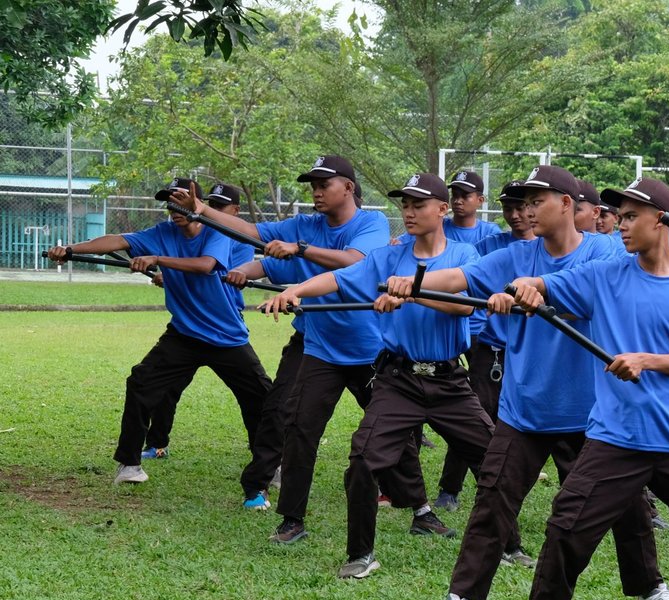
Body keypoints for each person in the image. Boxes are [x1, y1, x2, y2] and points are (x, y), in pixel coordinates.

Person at [382, 165, 669, 600]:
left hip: (593, 415)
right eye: (523, 202)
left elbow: (596, 293)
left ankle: (650, 587)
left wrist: (533, 296)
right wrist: (414, 285)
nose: (526, 210)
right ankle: (461, 599)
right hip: (525, 409)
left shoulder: (606, 252)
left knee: (627, 506)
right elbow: (462, 279)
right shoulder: (515, 256)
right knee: (493, 501)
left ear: (566, 204)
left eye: (537, 200)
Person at [489, 177, 669, 600]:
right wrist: (526, 287)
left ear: (660, 221)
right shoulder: (604, 274)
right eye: (617, 217)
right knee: (565, 535)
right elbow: (545, 284)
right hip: (613, 440)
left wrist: (648, 360)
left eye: (630, 217)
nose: (620, 225)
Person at [177, 156, 426, 544]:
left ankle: (420, 509)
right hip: (318, 347)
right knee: (297, 427)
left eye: (324, 184)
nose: (316, 190)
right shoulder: (304, 224)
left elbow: (354, 263)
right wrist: (203, 209)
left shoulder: (370, 223)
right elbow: (251, 231)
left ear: (348, 187)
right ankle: (292, 518)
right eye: (313, 184)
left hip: (369, 350)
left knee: (391, 429)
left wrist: (299, 249)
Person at [261, 173, 490, 578]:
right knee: (364, 461)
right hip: (398, 378)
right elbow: (338, 278)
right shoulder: (388, 257)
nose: (409, 212)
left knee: (494, 460)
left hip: (449, 380)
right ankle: (360, 555)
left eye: (419, 205)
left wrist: (410, 292)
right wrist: (296, 290)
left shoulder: (464, 256)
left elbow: (466, 307)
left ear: (441, 209)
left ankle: (506, 544)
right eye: (406, 205)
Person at [48, 177, 280, 502]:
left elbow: (205, 265)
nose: (174, 209)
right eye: (170, 203)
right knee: (141, 382)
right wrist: (71, 249)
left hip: (226, 336)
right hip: (184, 334)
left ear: (198, 204)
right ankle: (129, 464)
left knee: (261, 398)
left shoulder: (217, 232)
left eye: (182, 202)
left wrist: (158, 261)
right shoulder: (161, 233)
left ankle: (272, 465)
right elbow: (117, 239)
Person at [432, 180, 535, 515]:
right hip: (492, 349)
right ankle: (450, 488)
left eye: (523, 207)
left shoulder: (553, 251)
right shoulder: (492, 246)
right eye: (510, 209)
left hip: (537, 352)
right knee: (475, 417)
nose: (517, 215)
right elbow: (458, 276)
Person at [140, 182, 256, 461]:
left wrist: (172, 272)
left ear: (235, 211)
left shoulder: (237, 240)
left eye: (218, 207)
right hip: (190, 325)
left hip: (223, 325)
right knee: (167, 386)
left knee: (253, 393)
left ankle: (264, 452)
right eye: (208, 204)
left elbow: (214, 273)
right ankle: (157, 444)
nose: (207, 211)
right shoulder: (197, 231)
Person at [445, 170, 503, 244]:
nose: (457, 201)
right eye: (454, 195)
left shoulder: (490, 233)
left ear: (480, 200)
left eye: (465, 196)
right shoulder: (439, 227)